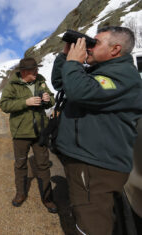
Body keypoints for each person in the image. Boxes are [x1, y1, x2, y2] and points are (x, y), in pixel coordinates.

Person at [51, 26, 142, 234]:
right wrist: (65, 56)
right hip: (89, 162)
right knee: (95, 217)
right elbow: (61, 83)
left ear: (115, 49)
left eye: (96, 43)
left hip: (95, 166)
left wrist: (74, 62)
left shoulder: (122, 76)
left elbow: (79, 91)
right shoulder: (100, 72)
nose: (89, 47)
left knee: (92, 226)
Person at [0, 57, 57, 213]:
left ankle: (47, 198)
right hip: (21, 133)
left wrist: (47, 99)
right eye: (33, 70)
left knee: (43, 165)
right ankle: (20, 193)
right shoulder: (12, 85)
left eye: (37, 69)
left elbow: (51, 99)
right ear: (24, 72)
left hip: (40, 132)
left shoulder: (41, 80)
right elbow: (4, 105)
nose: (37, 72)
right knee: (20, 164)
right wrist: (26, 102)